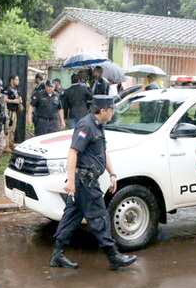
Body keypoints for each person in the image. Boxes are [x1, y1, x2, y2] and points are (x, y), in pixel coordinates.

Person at [50, 95, 137, 270]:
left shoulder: (99, 126)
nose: (113, 112)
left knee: (70, 218)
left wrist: (112, 174)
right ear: (103, 110)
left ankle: (57, 255)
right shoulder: (86, 126)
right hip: (85, 183)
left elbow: (103, 152)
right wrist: (71, 181)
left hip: (85, 182)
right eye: (111, 109)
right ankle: (113, 256)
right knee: (100, 217)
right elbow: (73, 152)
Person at [2, 74, 23, 152]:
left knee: (13, 129)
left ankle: (11, 144)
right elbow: (4, 99)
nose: (18, 81)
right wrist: (14, 101)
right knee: (8, 128)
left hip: (15, 112)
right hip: (9, 111)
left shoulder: (16, 89)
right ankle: (6, 146)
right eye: (16, 79)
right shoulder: (7, 89)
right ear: (12, 80)